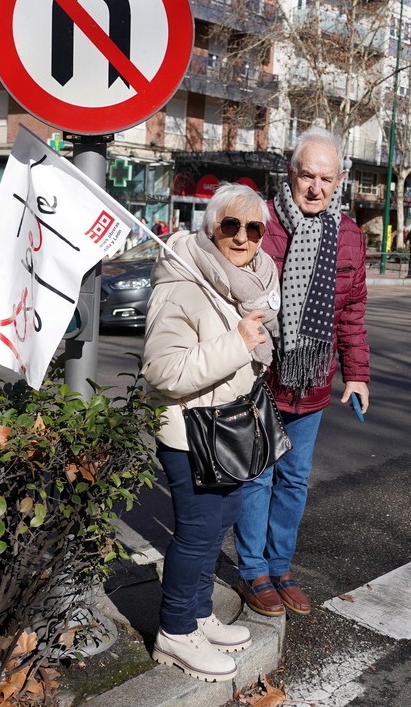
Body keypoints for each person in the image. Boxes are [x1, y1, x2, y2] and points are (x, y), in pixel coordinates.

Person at [141, 183, 278, 682]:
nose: (242, 238)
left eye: (254, 228)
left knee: (224, 517)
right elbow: (162, 371)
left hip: (229, 428)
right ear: (210, 226)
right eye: (230, 225)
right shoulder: (183, 280)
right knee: (198, 532)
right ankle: (176, 633)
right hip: (190, 430)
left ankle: (198, 615)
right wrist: (238, 343)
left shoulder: (249, 281)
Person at [234, 126, 370, 619]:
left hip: (311, 382)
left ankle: (280, 566)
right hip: (259, 377)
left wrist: (356, 374)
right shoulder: (257, 223)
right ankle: (254, 572)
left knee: (293, 481)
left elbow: (351, 312)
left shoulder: (349, 235)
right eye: (307, 175)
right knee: (257, 477)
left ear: (339, 182)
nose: (316, 187)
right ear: (290, 174)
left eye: (326, 179)